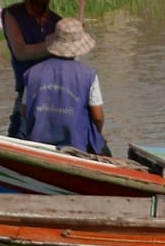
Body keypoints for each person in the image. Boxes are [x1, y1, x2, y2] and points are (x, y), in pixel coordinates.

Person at [17, 18, 106, 153]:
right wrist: (97, 136)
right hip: (75, 146)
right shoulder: (89, 75)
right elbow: (98, 117)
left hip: (37, 144)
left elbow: (24, 111)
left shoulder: (32, 73)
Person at [2, 0, 63, 136]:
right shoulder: (12, 14)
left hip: (55, 93)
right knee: (18, 136)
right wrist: (52, 46)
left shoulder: (57, 21)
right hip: (27, 90)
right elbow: (20, 52)